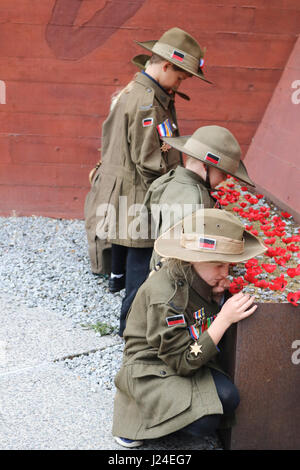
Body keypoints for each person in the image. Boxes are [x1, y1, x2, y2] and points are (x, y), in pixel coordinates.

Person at [84, 27, 211, 336]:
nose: (180, 83)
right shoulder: (147, 103)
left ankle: (122, 297)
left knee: (129, 256)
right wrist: (180, 183)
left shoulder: (140, 90)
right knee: (141, 263)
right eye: (180, 77)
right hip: (139, 195)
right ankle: (131, 332)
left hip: (124, 190)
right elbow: (149, 160)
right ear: (165, 65)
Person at [112, 208, 267, 448]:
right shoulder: (166, 296)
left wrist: (216, 299)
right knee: (206, 420)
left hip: (183, 355)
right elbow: (184, 360)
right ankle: (139, 415)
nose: (226, 273)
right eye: (218, 265)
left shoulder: (197, 275)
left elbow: (196, 323)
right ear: (194, 258)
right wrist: (223, 318)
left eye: (229, 265)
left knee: (228, 398)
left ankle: (170, 412)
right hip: (152, 365)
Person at [142, 125, 255, 271]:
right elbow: (180, 256)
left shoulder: (166, 180)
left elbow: (147, 222)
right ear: (205, 166)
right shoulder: (195, 200)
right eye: (223, 173)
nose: (225, 180)